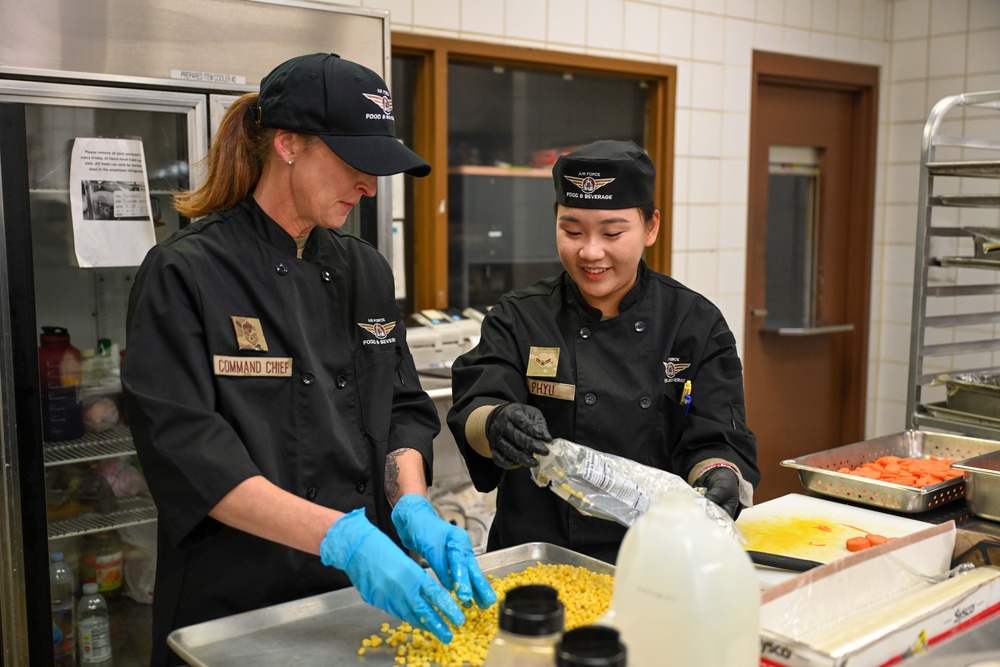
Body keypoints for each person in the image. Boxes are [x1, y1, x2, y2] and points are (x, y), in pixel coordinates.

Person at [122, 53, 495, 667]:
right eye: (355, 164)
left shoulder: (366, 268)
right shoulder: (185, 273)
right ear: (288, 144)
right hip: (239, 603)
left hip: (360, 598)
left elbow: (402, 408)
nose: (369, 186)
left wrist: (411, 503)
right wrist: (342, 538)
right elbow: (190, 455)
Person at [447, 140, 760, 564]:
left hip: (654, 562)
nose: (590, 252)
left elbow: (717, 438)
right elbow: (475, 409)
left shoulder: (694, 323)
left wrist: (719, 474)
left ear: (651, 227)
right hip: (535, 558)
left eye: (612, 233)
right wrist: (497, 424)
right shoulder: (519, 315)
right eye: (572, 232)